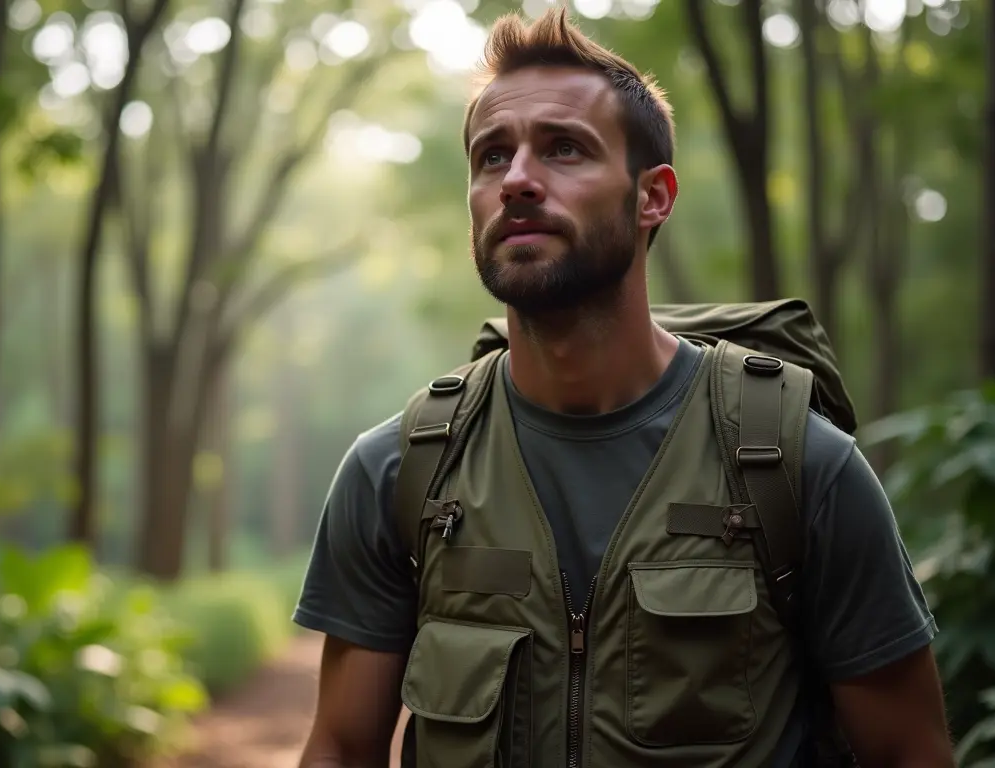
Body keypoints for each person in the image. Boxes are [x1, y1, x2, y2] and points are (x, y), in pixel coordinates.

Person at [292, 6, 953, 767]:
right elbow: (340, 747)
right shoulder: (401, 473)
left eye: (564, 149)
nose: (516, 181)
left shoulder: (798, 465)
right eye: (491, 156)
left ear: (653, 197)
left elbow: (911, 752)